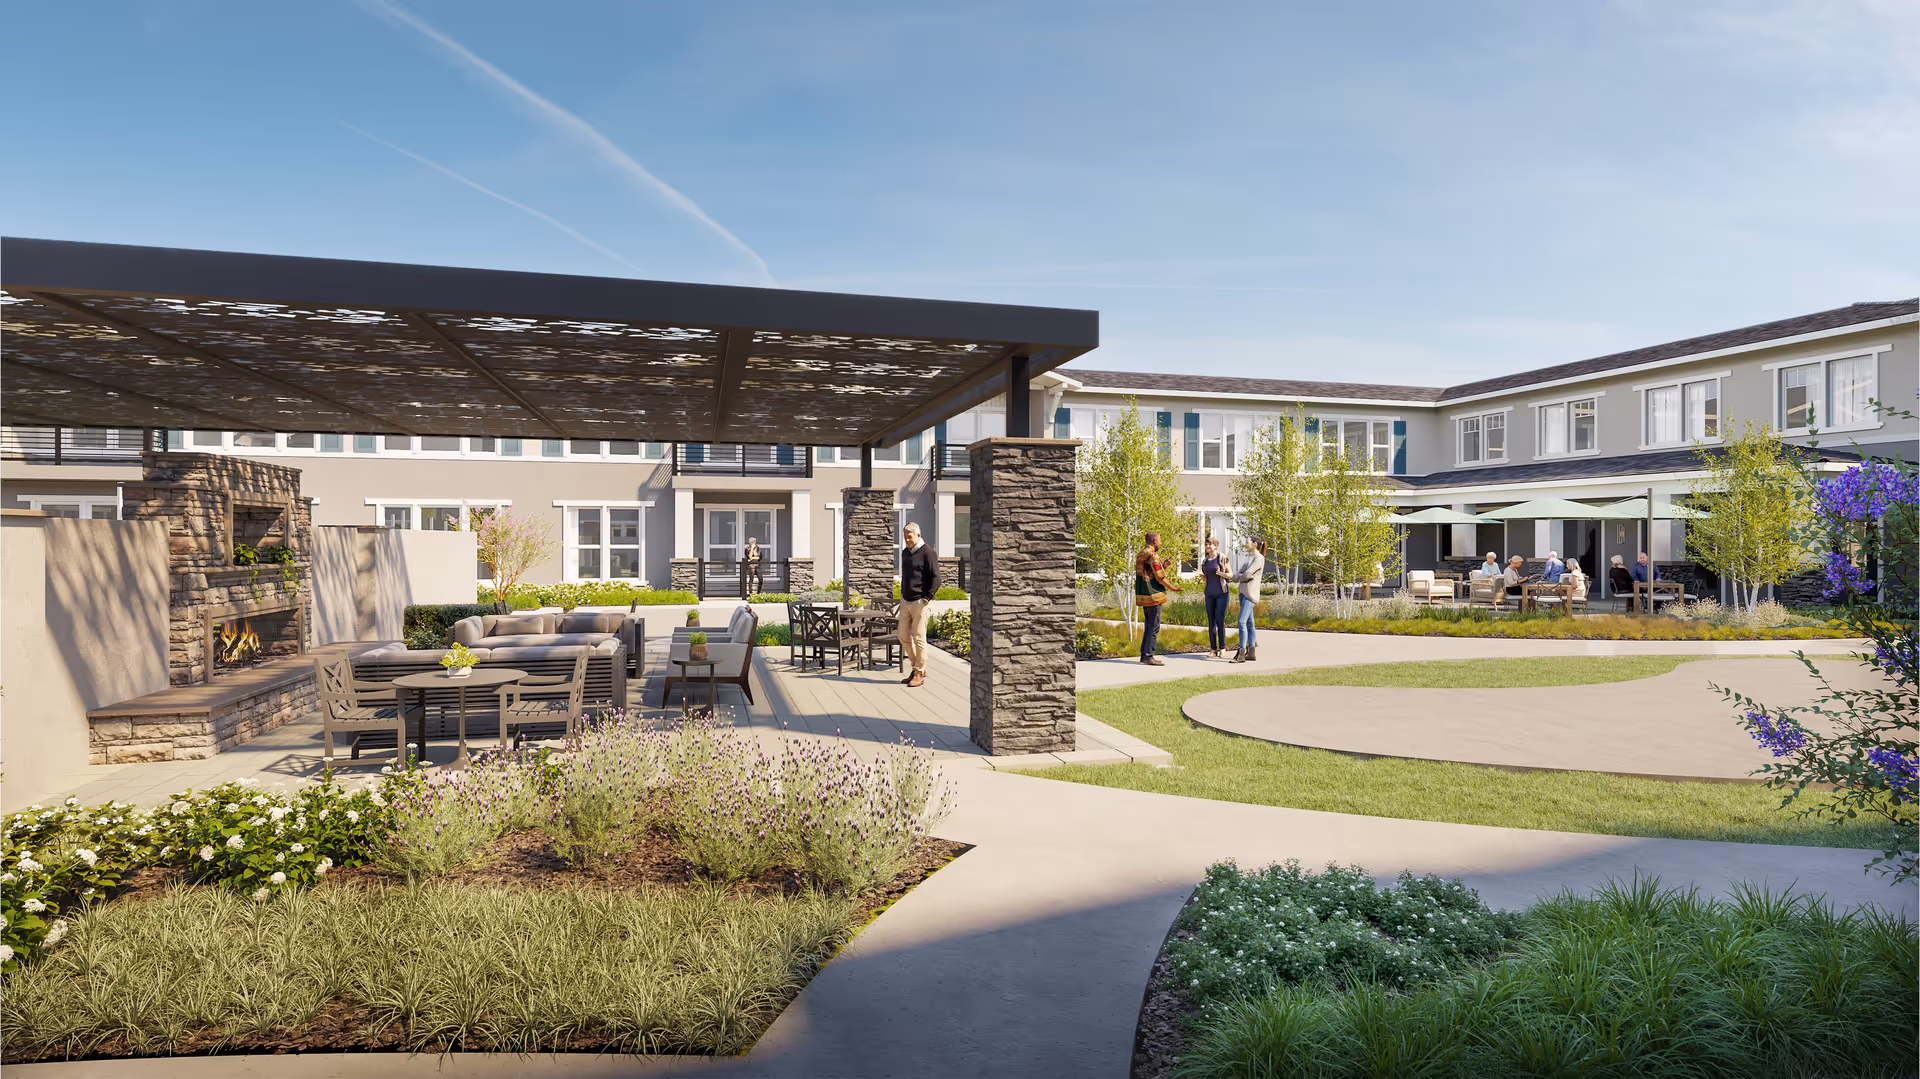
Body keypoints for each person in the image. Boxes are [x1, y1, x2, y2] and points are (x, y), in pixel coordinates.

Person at [896, 522, 939, 687]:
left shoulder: (928, 552)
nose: (907, 540)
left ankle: (919, 673)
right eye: (905, 537)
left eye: (910, 537)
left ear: (918, 535)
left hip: (920, 601)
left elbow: (936, 578)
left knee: (919, 637)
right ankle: (917, 668)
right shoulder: (905, 553)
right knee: (902, 636)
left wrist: (926, 598)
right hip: (905, 600)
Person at [1135, 531, 1179, 665]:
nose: (1160, 543)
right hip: (1153, 595)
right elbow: (1160, 577)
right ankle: (1148, 656)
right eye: (1159, 540)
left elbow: (1149, 572)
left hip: (1144, 596)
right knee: (1154, 626)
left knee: (1149, 626)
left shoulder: (1141, 554)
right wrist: (1173, 588)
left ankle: (1144, 655)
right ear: (1154, 541)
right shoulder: (1153, 555)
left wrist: (1164, 565)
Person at [1230, 538, 1266, 663]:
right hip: (1243, 593)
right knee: (1250, 623)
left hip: (1250, 595)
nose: (1245, 544)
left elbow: (1246, 575)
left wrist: (1234, 577)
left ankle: (1241, 654)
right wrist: (1227, 575)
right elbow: (1239, 573)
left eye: (1247, 542)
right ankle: (1251, 653)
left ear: (1255, 544)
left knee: (1241, 622)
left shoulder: (1259, 558)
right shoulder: (1250, 559)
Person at [1199, 537, 1229, 657]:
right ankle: (1213, 649)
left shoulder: (1222, 558)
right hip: (1209, 593)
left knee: (1220, 620)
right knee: (1211, 621)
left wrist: (1221, 574)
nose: (1207, 546)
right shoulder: (1205, 561)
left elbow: (1230, 574)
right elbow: (1207, 578)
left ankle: (1222, 647)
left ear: (1216, 546)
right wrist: (1201, 575)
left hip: (1222, 593)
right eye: (1206, 544)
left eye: (1209, 544)